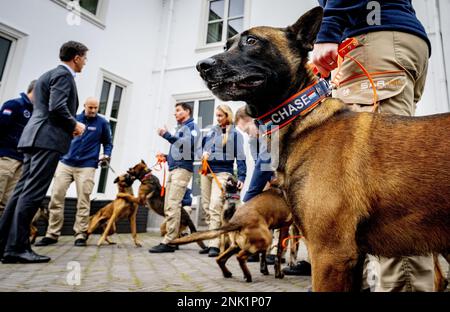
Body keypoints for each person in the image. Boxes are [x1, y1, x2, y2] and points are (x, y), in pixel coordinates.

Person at [312, 0, 434, 291]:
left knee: (386, 188)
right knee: (377, 180)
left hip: (373, 39)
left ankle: (405, 285)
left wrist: (328, 31)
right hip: (389, 40)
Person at [0, 41, 88, 264]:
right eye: (85, 58)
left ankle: (5, 244)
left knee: (20, 192)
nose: (85, 62)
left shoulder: (46, 75)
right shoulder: (63, 76)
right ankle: (18, 248)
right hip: (46, 140)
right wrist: (74, 125)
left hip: (33, 138)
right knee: (33, 193)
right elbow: (57, 107)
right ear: (76, 57)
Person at [34, 97, 112, 247]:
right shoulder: (74, 119)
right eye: (91, 108)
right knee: (56, 196)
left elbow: (108, 143)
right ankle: (52, 234)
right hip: (66, 162)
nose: (93, 110)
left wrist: (107, 154)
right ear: (84, 106)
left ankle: (80, 234)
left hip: (87, 165)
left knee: (83, 200)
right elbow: (62, 137)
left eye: (96, 108)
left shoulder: (102, 123)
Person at [149, 102, 200, 253]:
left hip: (182, 170)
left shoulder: (192, 127)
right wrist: (167, 157)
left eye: (178, 110)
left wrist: (166, 135)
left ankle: (170, 241)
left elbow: (186, 145)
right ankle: (174, 238)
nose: (175, 113)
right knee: (170, 206)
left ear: (187, 111)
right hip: (174, 168)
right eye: (175, 111)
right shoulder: (181, 129)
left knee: (172, 204)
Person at [200, 104, 246, 257]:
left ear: (228, 116)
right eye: (217, 115)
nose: (217, 118)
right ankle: (213, 239)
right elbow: (201, 148)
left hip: (222, 173)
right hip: (206, 171)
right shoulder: (212, 131)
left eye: (220, 115)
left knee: (215, 205)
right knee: (206, 206)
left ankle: (214, 244)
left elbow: (240, 156)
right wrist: (203, 153)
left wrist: (241, 176)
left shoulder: (235, 134)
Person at [0, 80, 36, 216]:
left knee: (6, 203)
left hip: (22, 161)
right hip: (6, 158)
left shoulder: (36, 113)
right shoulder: (14, 105)